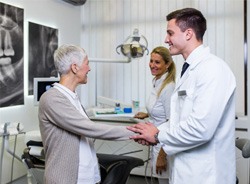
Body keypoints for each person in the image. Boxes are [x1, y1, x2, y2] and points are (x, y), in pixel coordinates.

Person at [127, 8, 236, 184]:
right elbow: (179, 120)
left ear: (188, 34)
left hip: (206, 175)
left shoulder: (213, 69)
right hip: (184, 170)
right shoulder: (187, 72)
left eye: (170, 33)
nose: (165, 39)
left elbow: (201, 128)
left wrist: (157, 136)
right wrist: (154, 132)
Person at [38, 44, 137, 184]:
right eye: (87, 63)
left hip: (86, 177)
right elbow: (89, 128)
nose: (89, 68)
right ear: (74, 67)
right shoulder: (52, 98)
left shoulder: (72, 97)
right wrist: (136, 132)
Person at [134, 46, 176, 184]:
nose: (152, 65)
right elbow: (162, 109)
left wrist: (162, 155)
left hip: (164, 145)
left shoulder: (168, 87)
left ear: (167, 64)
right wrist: (147, 113)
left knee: (164, 180)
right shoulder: (157, 81)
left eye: (157, 62)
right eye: (151, 61)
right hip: (156, 140)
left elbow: (173, 122)